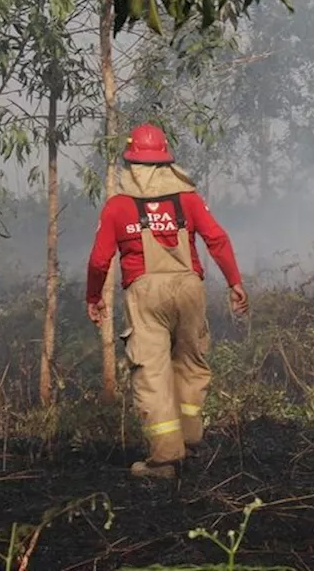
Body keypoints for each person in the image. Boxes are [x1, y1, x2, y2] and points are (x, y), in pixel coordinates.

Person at [86, 123, 249, 480]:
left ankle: (164, 459)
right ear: (165, 161)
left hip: (145, 294)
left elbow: (100, 260)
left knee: (152, 372)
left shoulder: (117, 206)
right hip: (189, 288)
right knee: (191, 363)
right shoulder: (188, 199)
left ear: (131, 163)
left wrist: (93, 297)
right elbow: (217, 239)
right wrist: (234, 282)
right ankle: (190, 441)